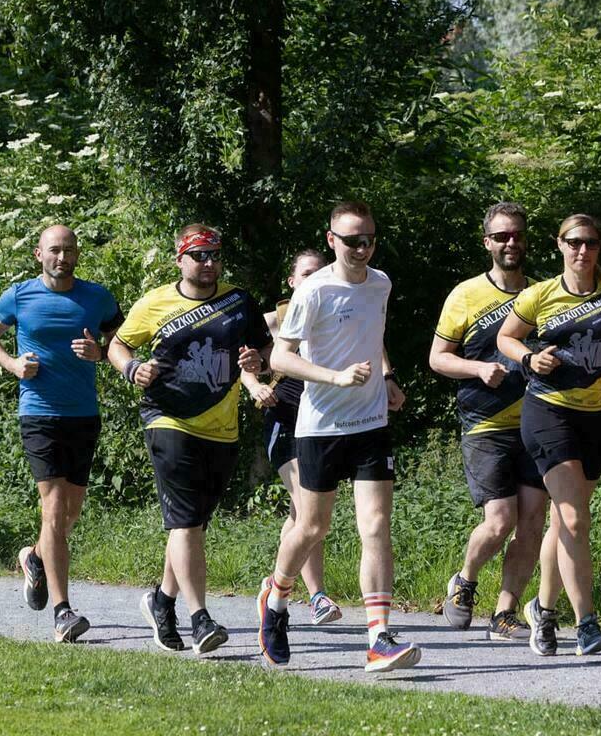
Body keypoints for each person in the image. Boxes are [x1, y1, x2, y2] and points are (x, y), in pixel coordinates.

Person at [257, 201, 420, 673]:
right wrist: (336, 377)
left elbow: (373, 334)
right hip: (322, 425)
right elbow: (280, 359)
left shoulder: (381, 283)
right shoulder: (314, 290)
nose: (362, 248)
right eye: (352, 241)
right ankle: (276, 599)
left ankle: (378, 638)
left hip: (371, 423)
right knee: (312, 527)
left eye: (369, 240)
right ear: (332, 240)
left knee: (376, 526)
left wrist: (386, 376)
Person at [497, 214, 601, 656]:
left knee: (566, 521)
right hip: (548, 412)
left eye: (590, 243)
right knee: (573, 519)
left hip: (597, 418)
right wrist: (528, 359)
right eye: (574, 242)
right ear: (559, 245)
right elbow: (506, 338)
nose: (582, 250)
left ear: (599, 247)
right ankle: (587, 624)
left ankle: (543, 610)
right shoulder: (540, 294)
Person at [108, 224, 271, 655]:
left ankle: (162, 602)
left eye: (215, 254)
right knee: (184, 523)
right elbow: (118, 346)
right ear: (179, 259)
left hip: (221, 427)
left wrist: (258, 361)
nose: (209, 263)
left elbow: (267, 351)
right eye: (199, 255)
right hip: (169, 419)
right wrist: (132, 369)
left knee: (193, 526)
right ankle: (201, 619)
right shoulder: (155, 302)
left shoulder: (239, 301)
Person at [0, 224, 123, 643]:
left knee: (70, 514)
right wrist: (12, 364)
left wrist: (100, 352)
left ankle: (35, 558)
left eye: (69, 250)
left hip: (83, 414)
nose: (63, 257)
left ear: (77, 254)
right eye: (55, 250)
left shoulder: (97, 297)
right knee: (54, 509)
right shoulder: (19, 295)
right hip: (39, 413)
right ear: (39, 254)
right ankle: (63, 612)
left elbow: (120, 342)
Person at [430, 202, 546, 640]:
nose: (510, 243)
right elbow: (437, 358)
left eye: (517, 235)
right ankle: (465, 580)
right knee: (500, 521)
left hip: (536, 420)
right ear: (487, 243)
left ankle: (504, 613)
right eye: (501, 236)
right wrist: (478, 369)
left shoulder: (542, 293)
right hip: (485, 424)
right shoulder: (465, 294)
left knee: (532, 522)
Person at [242, 248, 344, 626]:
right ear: (291, 281)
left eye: (320, 272)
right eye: (306, 274)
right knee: (308, 509)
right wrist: (254, 386)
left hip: (323, 423)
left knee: (300, 515)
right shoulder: (272, 321)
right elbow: (245, 364)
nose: (313, 279)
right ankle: (317, 596)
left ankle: (274, 583)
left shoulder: (336, 315)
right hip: (284, 420)